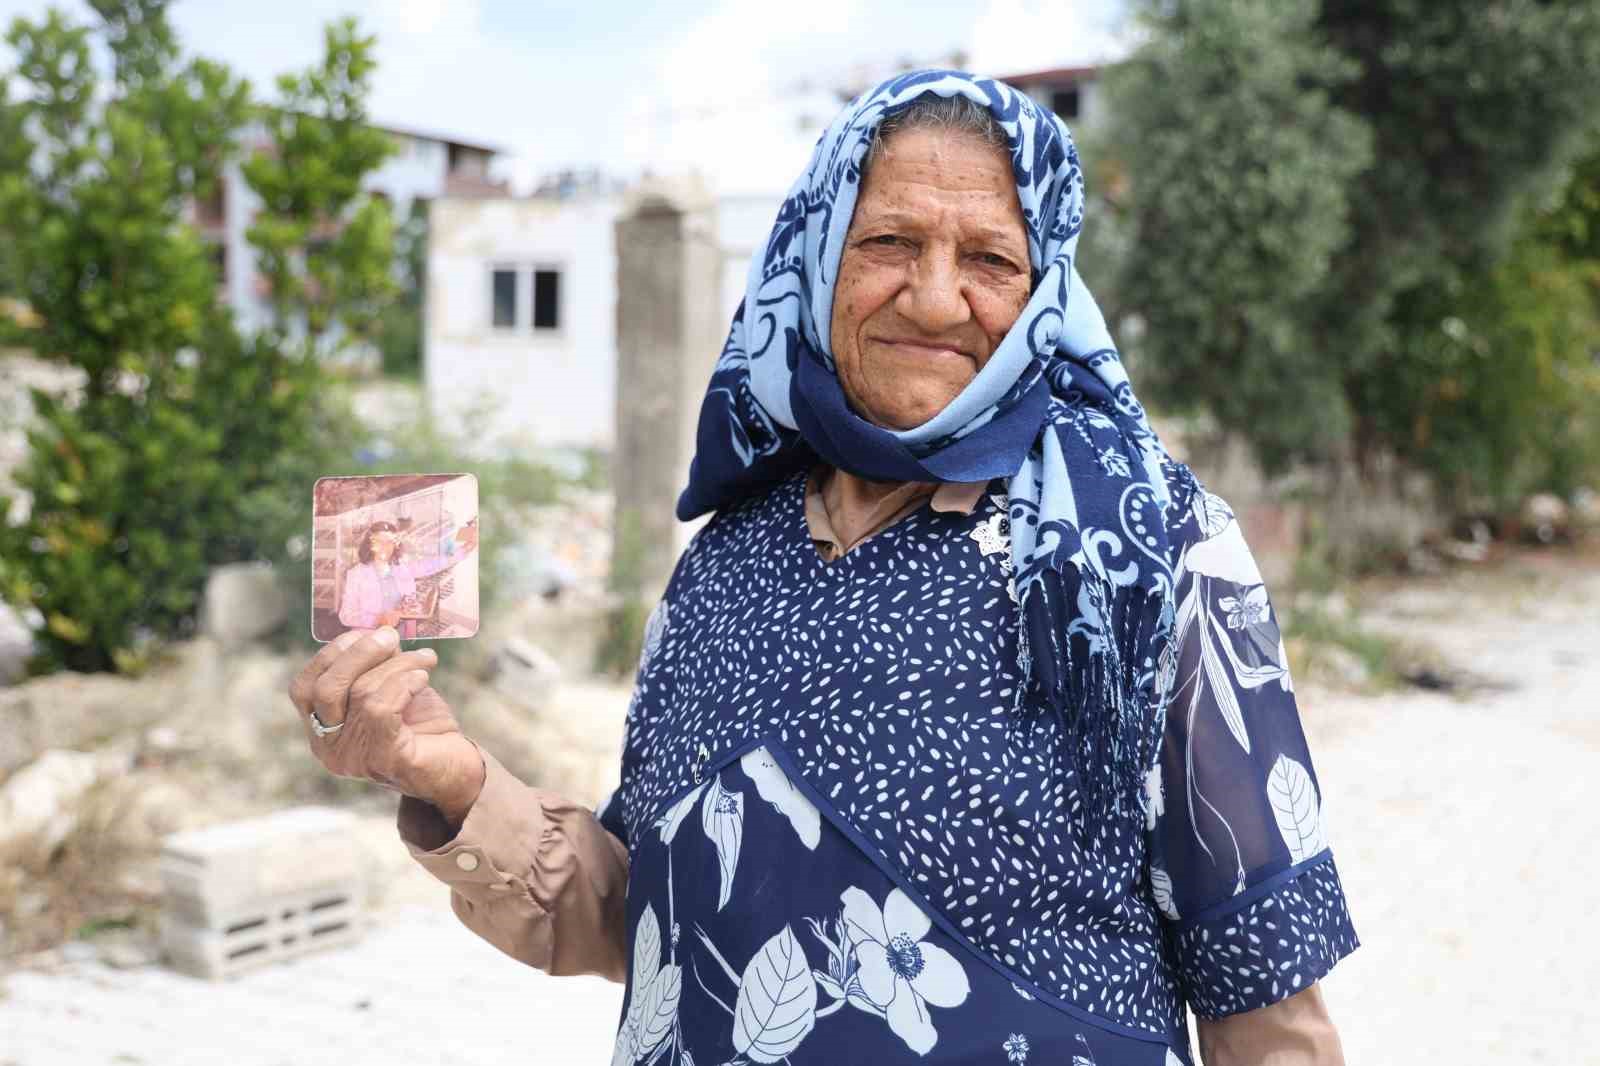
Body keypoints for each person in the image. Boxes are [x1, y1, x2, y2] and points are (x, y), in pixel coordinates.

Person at [288, 72, 1356, 1065]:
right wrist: (458, 783)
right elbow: (642, 920)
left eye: (989, 259)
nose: (935, 300)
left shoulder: (1143, 549)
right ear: (813, 255)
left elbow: (1265, 999)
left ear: (1043, 292)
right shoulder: (728, 556)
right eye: (888, 240)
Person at [335, 519, 478, 639]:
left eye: (390, 542)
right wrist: (377, 619)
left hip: (401, 639)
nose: (385, 547)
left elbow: (434, 563)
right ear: (370, 544)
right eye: (380, 541)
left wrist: (465, 548)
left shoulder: (403, 569)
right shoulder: (356, 574)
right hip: (367, 641)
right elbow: (346, 615)